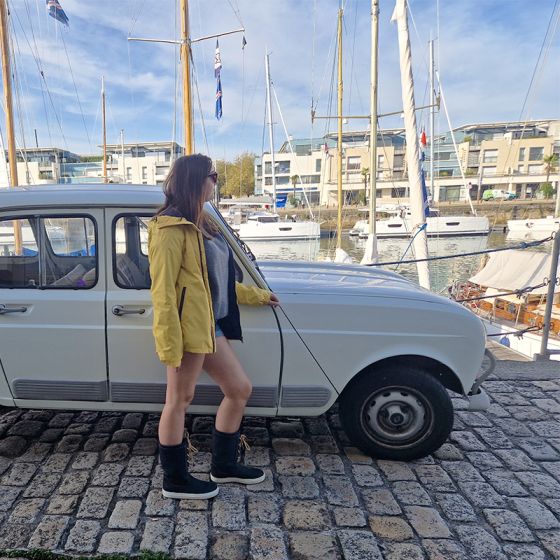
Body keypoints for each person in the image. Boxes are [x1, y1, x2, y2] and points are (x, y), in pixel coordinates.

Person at [148, 154, 280, 500]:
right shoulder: (169, 229)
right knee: (178, 399)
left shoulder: (204, 222)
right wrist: (169, 345)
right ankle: (174, 479)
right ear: (195, 180)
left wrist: (257, 295)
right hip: (187, 328)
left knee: (239, 389)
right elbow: (162, 292)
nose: (216, 182)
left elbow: (215, 282)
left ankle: (223, 465)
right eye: (213, 176)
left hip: (211, 324)